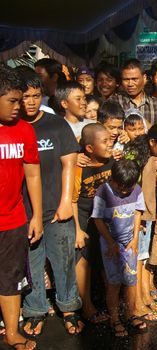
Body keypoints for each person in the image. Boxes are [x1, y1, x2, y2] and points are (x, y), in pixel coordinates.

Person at [18, 70, 84, 337]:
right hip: (23, 211)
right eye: (25, 97)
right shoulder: (11, 127)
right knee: (31, 264)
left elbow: (69, 164)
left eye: (36, 96)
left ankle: (69, 307)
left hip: (58, 209)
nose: (31, 102)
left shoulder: (56, 124)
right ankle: (34, 310)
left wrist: (66, 201)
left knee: (64, 260)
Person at [0, 65, 41, 350]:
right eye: (12, 101)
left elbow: (33, 175)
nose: (19, 107)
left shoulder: (25, 130)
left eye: (21, 100)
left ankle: (12, 332)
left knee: (11, 278)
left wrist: (36, 215)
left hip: (14, 219)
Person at [123, 122, 157, 321]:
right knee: (136, 259)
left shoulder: (153, 154)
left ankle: (144, 297)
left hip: (147, 210)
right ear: (152, 141)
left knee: (143, 257)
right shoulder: (135, 156)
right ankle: (135, 303)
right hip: (135, 212)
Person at [92, 160, 148, 336]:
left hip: (129, 241)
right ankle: (114, 318)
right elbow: (98, 220)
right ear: (112, 179)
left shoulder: (137, 189)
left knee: (131, 280)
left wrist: (135, 238)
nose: (124, 192)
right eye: (121, 188)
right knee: (114, 282)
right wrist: (110, 242)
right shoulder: (103, 192)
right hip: (110, 244)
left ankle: (130, 315)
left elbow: (138, 213)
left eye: (128, 189)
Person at [73, 123, 114, 325]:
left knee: (106, 260)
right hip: (83, 217)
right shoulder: (79, 167)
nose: (110, 144)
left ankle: (111, 305)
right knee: (84, 261)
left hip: (105, 218)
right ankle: (87, 306)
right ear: (89, 148)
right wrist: (77, 230)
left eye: (110, 140)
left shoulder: (113, 161)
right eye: (104, 141)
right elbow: (72, 201)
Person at [109, 59, 157, 126]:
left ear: (144, 78)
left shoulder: (156, 105)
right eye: (126, 79)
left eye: (134, 79)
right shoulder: (114, 102)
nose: (130, 84)